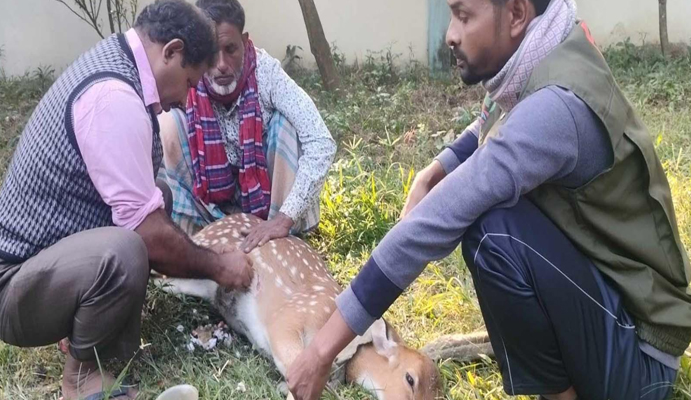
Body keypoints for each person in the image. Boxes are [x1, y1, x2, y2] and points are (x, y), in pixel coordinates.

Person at [286, 0, 690, 399]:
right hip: (615, 305)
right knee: (497, 223)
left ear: (515, 14)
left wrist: (323, 350)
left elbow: (441, 216)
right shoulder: (548, 46)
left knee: (492, 233)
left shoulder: (556, 109)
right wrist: (434, 170)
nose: (451, 34)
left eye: (464, 15)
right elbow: (491, 120)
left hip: (639, 357)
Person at [0, 1, 253, 399]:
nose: (186, 100)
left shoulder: (118, 62)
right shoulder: (114, 98)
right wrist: (219, 266)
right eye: (188, 82)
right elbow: (147, 236)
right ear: (172, 51)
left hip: (41, 269)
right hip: (10, 287)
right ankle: (80, 379)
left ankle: (96, 340)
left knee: (158, 196)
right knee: (130, 246)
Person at [157, 0, 337, 253]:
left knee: (284, 127)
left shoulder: (267, 73)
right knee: (168, 125)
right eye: (211, 53)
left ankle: (281, 232)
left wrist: (284, 217)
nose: (221, 64)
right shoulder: (189, 75)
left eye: (230, 49)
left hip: (268, 203)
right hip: (209, 203)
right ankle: (196, 235)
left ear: (244, 40)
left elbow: (321, 141)